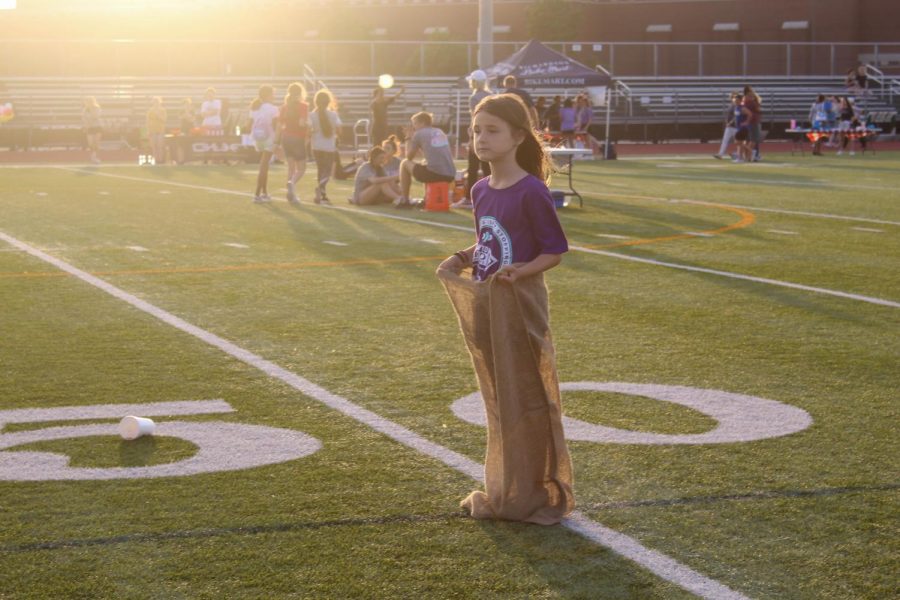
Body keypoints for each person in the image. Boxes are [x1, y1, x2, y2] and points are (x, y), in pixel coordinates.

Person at [436, 93, 574, 524]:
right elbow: (488, 241)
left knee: (528, 398)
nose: (480, 138)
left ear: (518, 136)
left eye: (492, 130)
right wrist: (461, 257)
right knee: (499, 400)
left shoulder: (531, 190)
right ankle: (508, 486)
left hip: (520, 306)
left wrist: (522, 271)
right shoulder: (480, 189)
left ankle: (534, 488)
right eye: (476, 130)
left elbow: (554, 249)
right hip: (487, 303)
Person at [396, 111, 456, 208]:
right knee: (424, 163)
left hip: (436, 174)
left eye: (415, 124)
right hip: (450, 175)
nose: (414, 127)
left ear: (422, 123)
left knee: (404, 163)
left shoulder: (419, 134)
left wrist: (408, 138)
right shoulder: (439, 131)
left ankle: (405, 199)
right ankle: (426, 198)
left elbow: (408, 157)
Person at [458, 69, 492, 209]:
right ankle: (491, 196)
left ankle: (469, 198)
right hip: (491, 134)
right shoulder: (491, 95)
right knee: (488, 168)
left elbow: (475, 120)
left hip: (479, 135)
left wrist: (472, 138)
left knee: (472, 167)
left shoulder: (474, 98)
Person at [309, 88, 341, 205]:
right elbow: (339, 129)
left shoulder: (312, 115)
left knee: (320, 170)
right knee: (327, 172)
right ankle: (320, 189)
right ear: (328, 102)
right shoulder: (333, 114)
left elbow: (308, 131)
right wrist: (335, 135)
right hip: (328, 147)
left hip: (316, 146)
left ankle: (323, 194)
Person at [249, 85, 280, 203]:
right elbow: (275, 125)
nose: (274, 95)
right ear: (268, 95)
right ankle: (257, 194)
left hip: (257, 138)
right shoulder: (273, 108)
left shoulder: (255, 107)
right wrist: (278, 141)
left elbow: (250, 123)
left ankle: (264, 192)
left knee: (265, 166)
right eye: (273, 93)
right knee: (264, 165)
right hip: (269, 138)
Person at [279, 82, 309, 205]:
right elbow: (302, 123)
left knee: (291, 168)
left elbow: (280, 125)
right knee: (301, 169)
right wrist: (309, 125)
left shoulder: (284, 107)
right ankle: (292, 183)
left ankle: (290, 196)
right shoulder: (303, 106)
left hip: (286, 137)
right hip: (297, 137)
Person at [713, 92, 739, 159]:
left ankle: (740, 154)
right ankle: (720, 154)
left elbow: (736, 116)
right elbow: (729, 115)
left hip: (736, 126)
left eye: (734, 96)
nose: (732, 98)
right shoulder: (731, 105)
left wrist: (730, 122)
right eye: (732, 97)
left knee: (739, 142)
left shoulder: (737, 105)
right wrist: (727, 121)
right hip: (729, 126)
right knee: (725, 140)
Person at [742, 85, 763, 162]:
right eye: (751, 91)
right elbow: (757, 109)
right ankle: (750, 156)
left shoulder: (746, 101)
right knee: (753, 140)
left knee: (749, 140)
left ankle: (748, 156)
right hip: (753, 122)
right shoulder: (750, 101)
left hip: (751, 122)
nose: (752, 92)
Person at [146, 96, 167, 165]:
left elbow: (164, 120)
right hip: (153, 130)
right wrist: (148, 130)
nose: (156, 103)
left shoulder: (162, 110)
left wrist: (158, 115)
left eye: (157, 102)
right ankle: (156, 160)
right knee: (154, 146)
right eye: (154, 102)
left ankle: (160, 160)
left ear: (160, 102)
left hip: (160, 130)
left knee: (160, 146)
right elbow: (148, 121)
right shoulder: (150, 111)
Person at [81, 96, 102, 164]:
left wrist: (89, 122)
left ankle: (95, 157)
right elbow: (83, 118)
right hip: (89, 128)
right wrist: (86, 125)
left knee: (96, 143)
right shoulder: (85, 109)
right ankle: (93, 156)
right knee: (90, 143)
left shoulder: (97, 108)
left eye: (87, 101)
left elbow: (95, 117)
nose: (86, 103)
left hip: (97, 127)